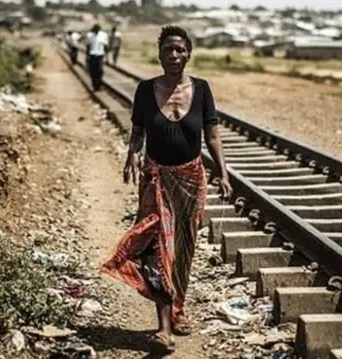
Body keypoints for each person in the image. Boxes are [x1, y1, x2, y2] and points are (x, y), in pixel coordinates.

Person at [101, 25, 232, 353]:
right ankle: (163, 327)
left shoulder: (202, 90)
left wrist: (224, 173)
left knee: (184, 249)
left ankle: (178, 308)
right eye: (168, 50)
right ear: (159, 54)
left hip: (191, 180)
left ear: (189, 54)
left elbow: (212, 136)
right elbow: (138, 131)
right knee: (159, 248)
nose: (174, 56)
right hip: (156, 178)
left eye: (180, 50)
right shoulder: (145, 90)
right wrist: (131, 155)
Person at [85, 24, 109, 91]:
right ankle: (95, 85)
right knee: (92, 71)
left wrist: (107, 57)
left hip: (100, 55)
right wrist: (87, 57)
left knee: (99, 71)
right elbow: (88, 47)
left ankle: (98, 84)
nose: (96, 31)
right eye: (95, 29)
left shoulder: (103, 35)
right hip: (92, 55)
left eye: (97, 29)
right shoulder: (89, 36)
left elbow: (106, 46)